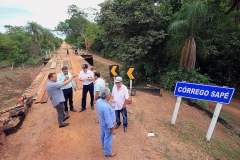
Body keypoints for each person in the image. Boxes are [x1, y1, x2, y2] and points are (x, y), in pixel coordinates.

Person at [96, 88, 117, 157]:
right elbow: (108, 120)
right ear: (106, 96)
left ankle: (103, 146)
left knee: (102, 133)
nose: (111, 95)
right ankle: (108, 152)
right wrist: (112, 129)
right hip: (106, 124)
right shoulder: (105, 107)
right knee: (108, 137)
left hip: (102, 122)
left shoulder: (99, 101)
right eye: (110, 94)